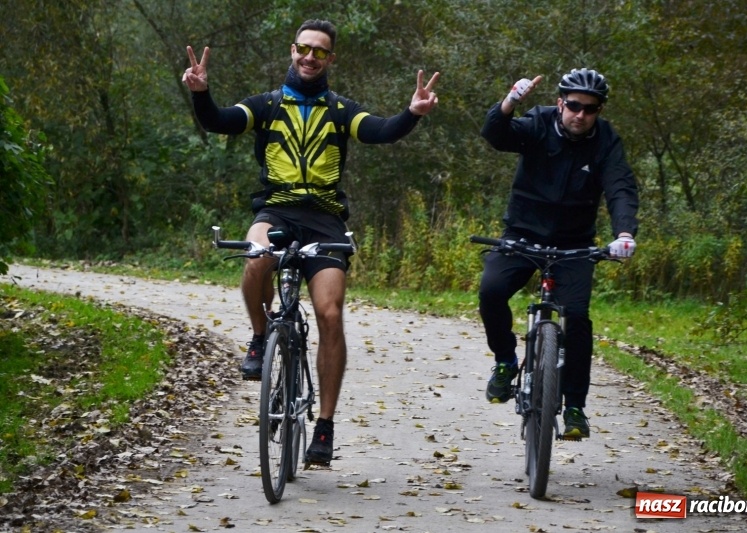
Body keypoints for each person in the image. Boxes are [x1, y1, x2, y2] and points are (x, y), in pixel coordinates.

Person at [182, 19, 439, 464]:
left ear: (330, 59)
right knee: (256, 256)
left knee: (330, 313)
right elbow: (220, 122)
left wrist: (412, 113)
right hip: (277, 210)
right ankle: (260, 338)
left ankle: (324, 425)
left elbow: (380, 130)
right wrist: (201, 92)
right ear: (292, 50)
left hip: (324, 220)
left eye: (319, 52)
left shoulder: (341, 110)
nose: (309, 57)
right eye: (304, 48)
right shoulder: (266, 105)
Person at [478, 68, 638, 440]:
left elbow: (620, 188)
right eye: (573, 105)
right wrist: (510, 102)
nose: (580, 114)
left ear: (599, 111)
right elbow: (496, 135)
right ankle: (505, 362)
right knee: (491, 290)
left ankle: (576, 406)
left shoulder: (606, 142)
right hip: (522, 236)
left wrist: (625, 233)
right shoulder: (537, 123)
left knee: (578, 318)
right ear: (559, 103)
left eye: (590, 108)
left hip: (575, 244)